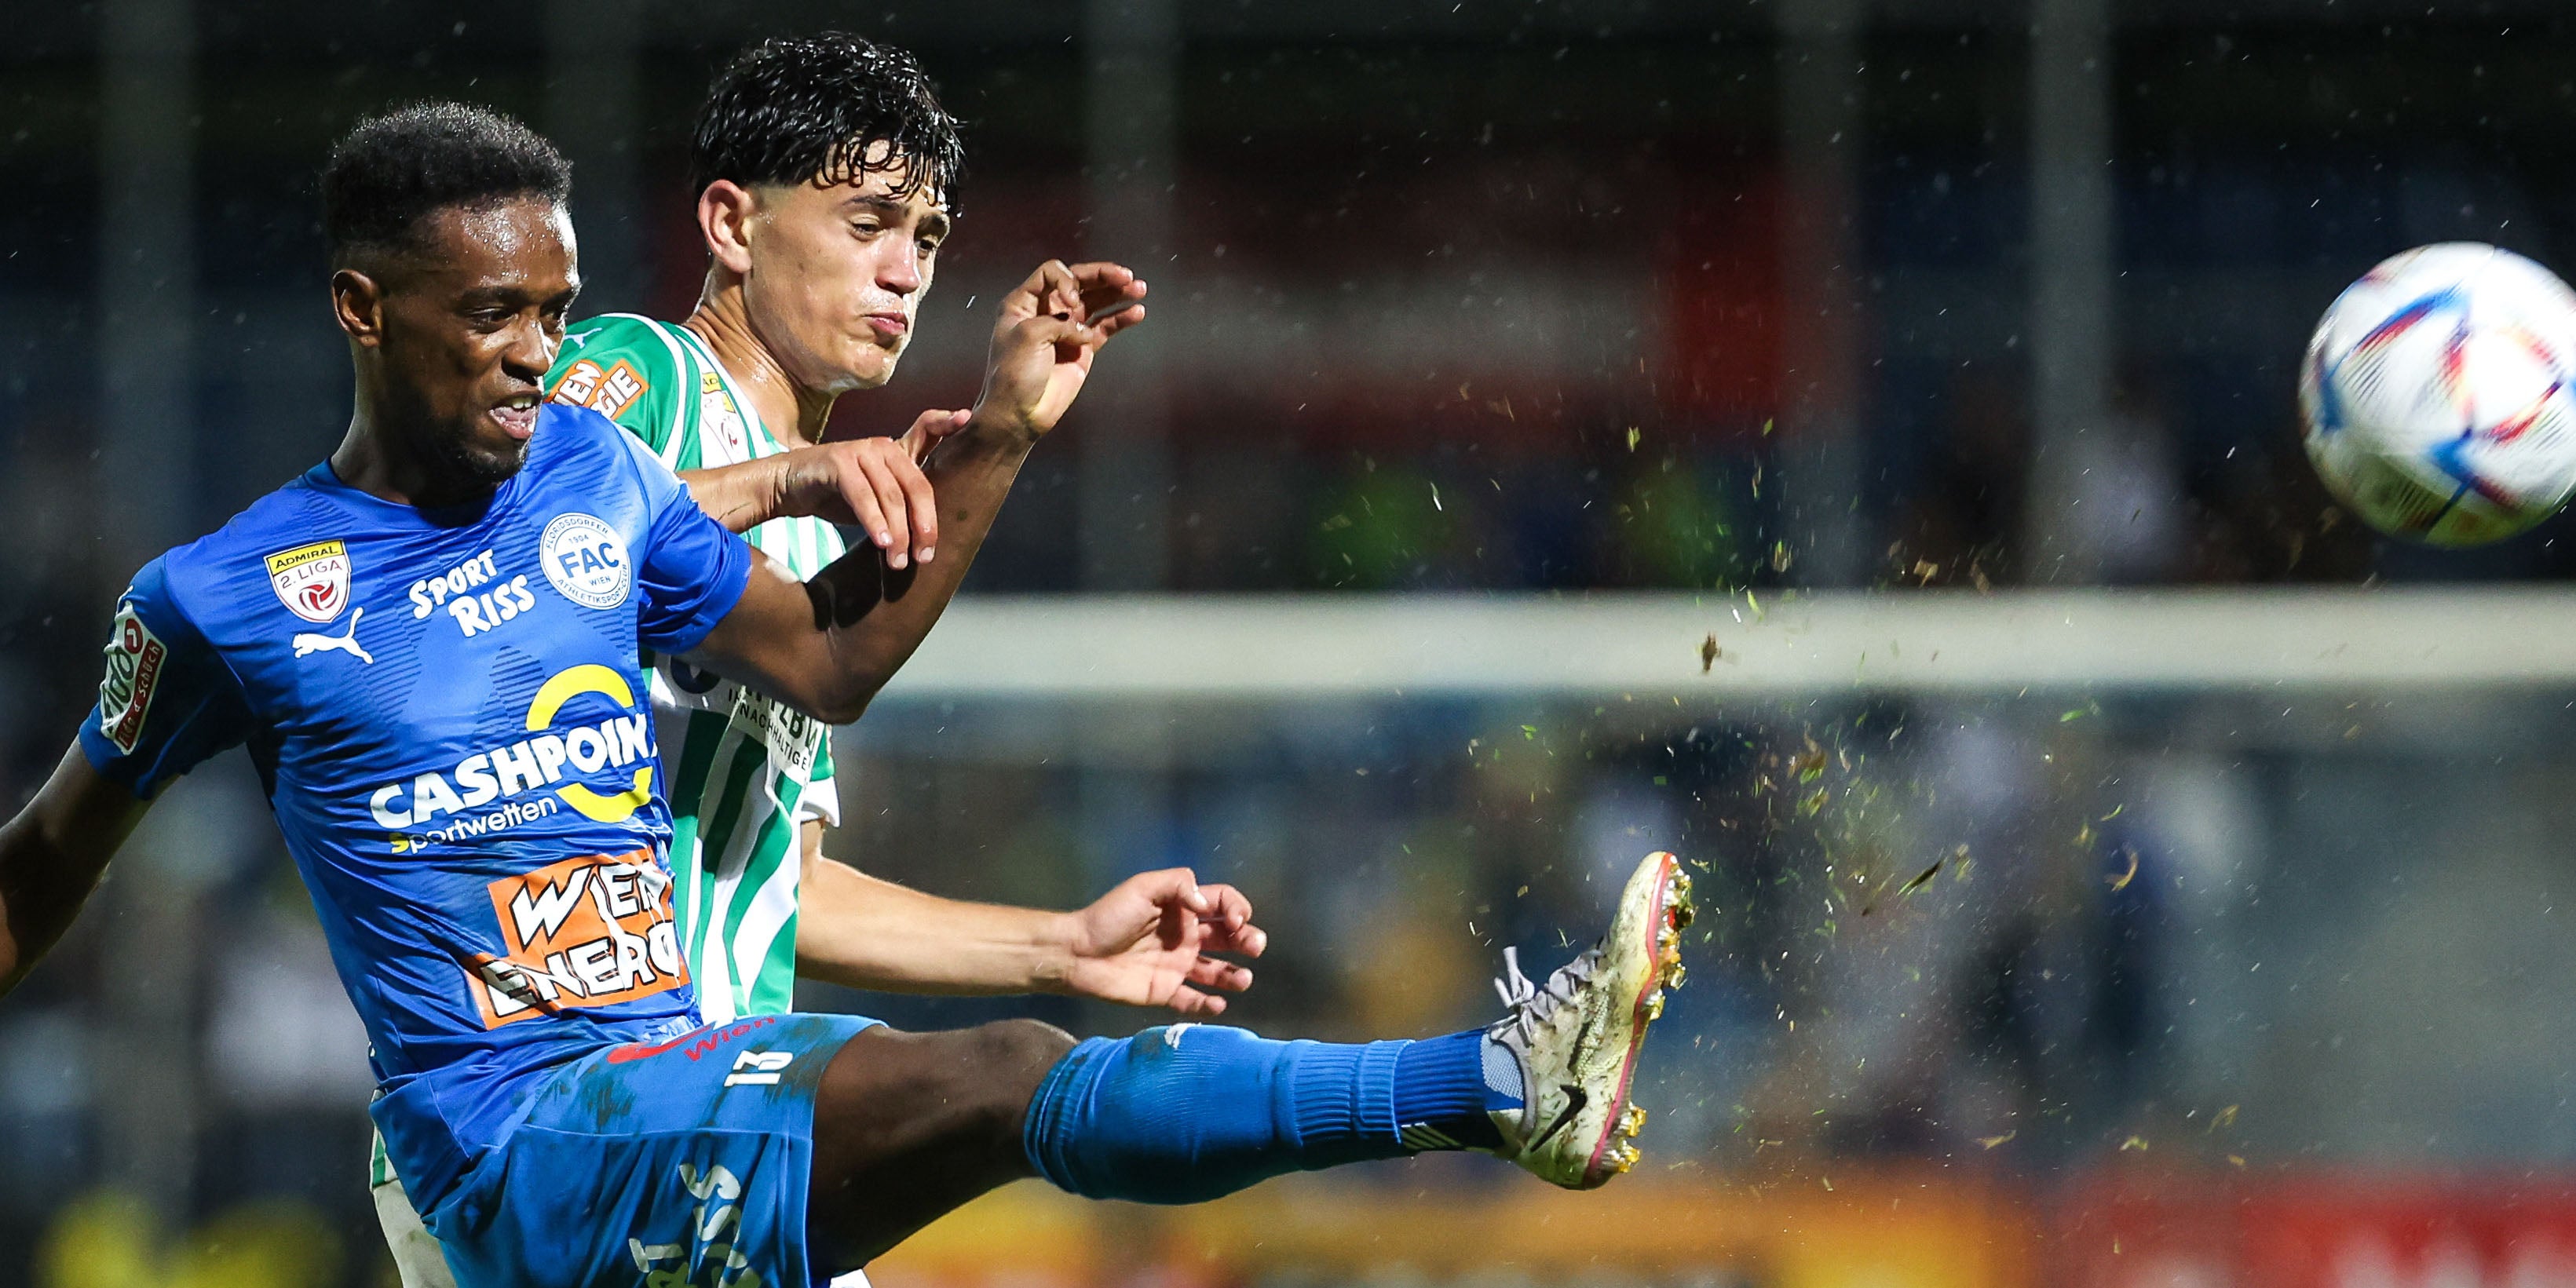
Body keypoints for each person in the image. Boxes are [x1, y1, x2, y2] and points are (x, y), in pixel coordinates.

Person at [0, 104, 1686, 1288]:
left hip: (675, 1085)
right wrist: (800, 470)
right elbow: (40, 866)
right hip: (517, 1143)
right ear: (363, 313)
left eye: (554, 312)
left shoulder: (585, 482)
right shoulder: (234, 589)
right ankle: (1486, 1084)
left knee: (1020, 1061)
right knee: (1004, 1076)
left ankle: (1491, 1084)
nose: (536, 352)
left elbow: (829, 661)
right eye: (494, 315)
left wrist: (996, 440)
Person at [364, 37, 1212, 1287]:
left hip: (700, 1109)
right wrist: (787, 475)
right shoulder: (638, 374)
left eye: (926, 236)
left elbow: (775, 885)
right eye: (866, 221)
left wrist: (1062, 945)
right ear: (731, 224)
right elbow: (500, 556)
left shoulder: (814, 543)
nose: (904, 270)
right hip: (558, 1114)